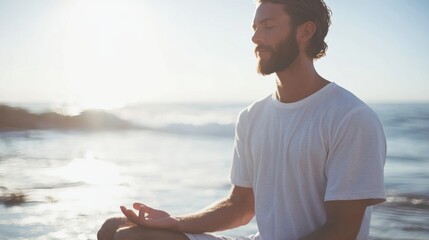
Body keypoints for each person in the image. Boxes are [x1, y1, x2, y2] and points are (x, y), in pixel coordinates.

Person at [98, 0, 386, 239]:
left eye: (268, 26)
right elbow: (240, 207)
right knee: (113, 229)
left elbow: (342, 231)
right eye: (255, 27)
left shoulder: (350, 117)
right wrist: (175, 222)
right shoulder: (252, 117)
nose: (256, 37)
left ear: (305, 32)